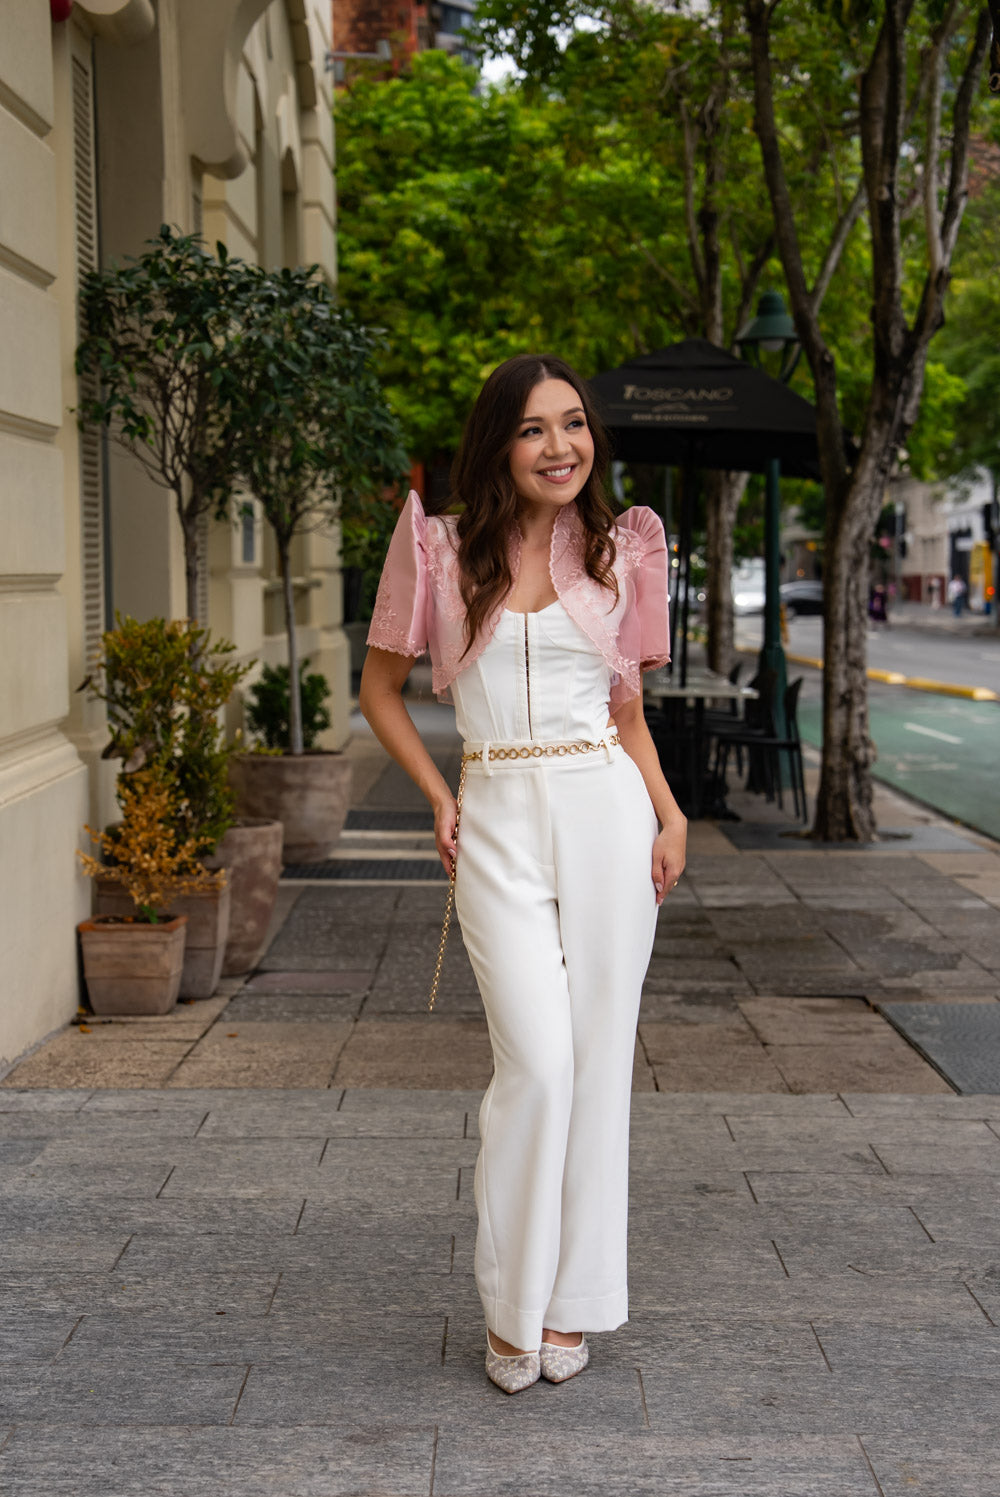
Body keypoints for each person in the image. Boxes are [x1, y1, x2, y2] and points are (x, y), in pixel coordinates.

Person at [359, 354, 687, 1395]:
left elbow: (626, 709)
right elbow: (378, 691)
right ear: (499, 442)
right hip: (495, 815)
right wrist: (439, 796)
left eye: (575, 425)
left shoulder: (621, 551)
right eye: (536, 429)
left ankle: (569, 1307)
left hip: (607, 812)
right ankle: (510, 1310)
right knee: (536, 1067)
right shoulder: (440, 550)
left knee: (596, 1069)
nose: (561, 447)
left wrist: (671, 814)